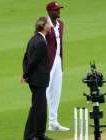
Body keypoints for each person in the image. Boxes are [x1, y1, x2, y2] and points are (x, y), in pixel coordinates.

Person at [21, 16, 53, 140]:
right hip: (38, 80)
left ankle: (39, 134)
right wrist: (26, 75)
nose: (50, 26)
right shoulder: (40, 42)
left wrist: (25, 74)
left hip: (36, 80)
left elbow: (25, 58)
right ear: (44, 26)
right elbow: (33, 61)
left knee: (42, 107)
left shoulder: (33, 39)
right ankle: (29, 136)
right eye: (49, 24)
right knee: (37, 107)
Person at [45, 1, 70, 131]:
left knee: (56, 91)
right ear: (49, 11)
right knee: (45, 92)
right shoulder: (43, 24)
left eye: (59, 9)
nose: (59, 11)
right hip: (47, 62)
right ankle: (40, 123)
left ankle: (53, 122)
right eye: (56, 10)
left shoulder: (61, 24)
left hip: (58, 60)